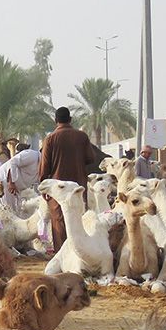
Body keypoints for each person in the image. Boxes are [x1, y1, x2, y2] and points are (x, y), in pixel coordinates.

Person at [38, 106, 96, 251]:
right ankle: (80, 253)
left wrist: (44, 187)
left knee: (59, 222)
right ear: (70, 119)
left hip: (58, 190)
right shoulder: (82, 137)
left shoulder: (50, 139)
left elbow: (45, 167)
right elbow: (90, 158)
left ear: (56, 121)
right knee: (79, 219)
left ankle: (62, 256)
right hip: (78, 187)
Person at [0, 142, 41, 208]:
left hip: (16, 190)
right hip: (4, 182)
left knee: (16, 211)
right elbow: (13, 162)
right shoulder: (32, 155)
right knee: (7, 209)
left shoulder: (42, 167)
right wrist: (11, 182)